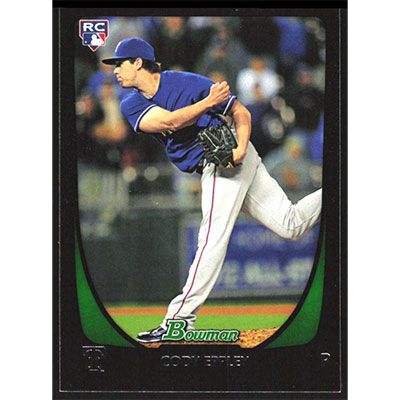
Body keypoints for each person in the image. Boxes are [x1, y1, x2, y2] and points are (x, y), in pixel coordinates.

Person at [102, 38, 322, 343]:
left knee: (211, 237)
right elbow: (170, 121)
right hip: (215, 158)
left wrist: (241, 148)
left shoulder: (186, 82)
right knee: (291, 225)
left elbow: (241, 111)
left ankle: (178, 320)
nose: (115, 70)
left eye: (120, 63)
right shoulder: (131, 102)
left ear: (138, 62)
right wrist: (207, 104)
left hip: (225, 156)